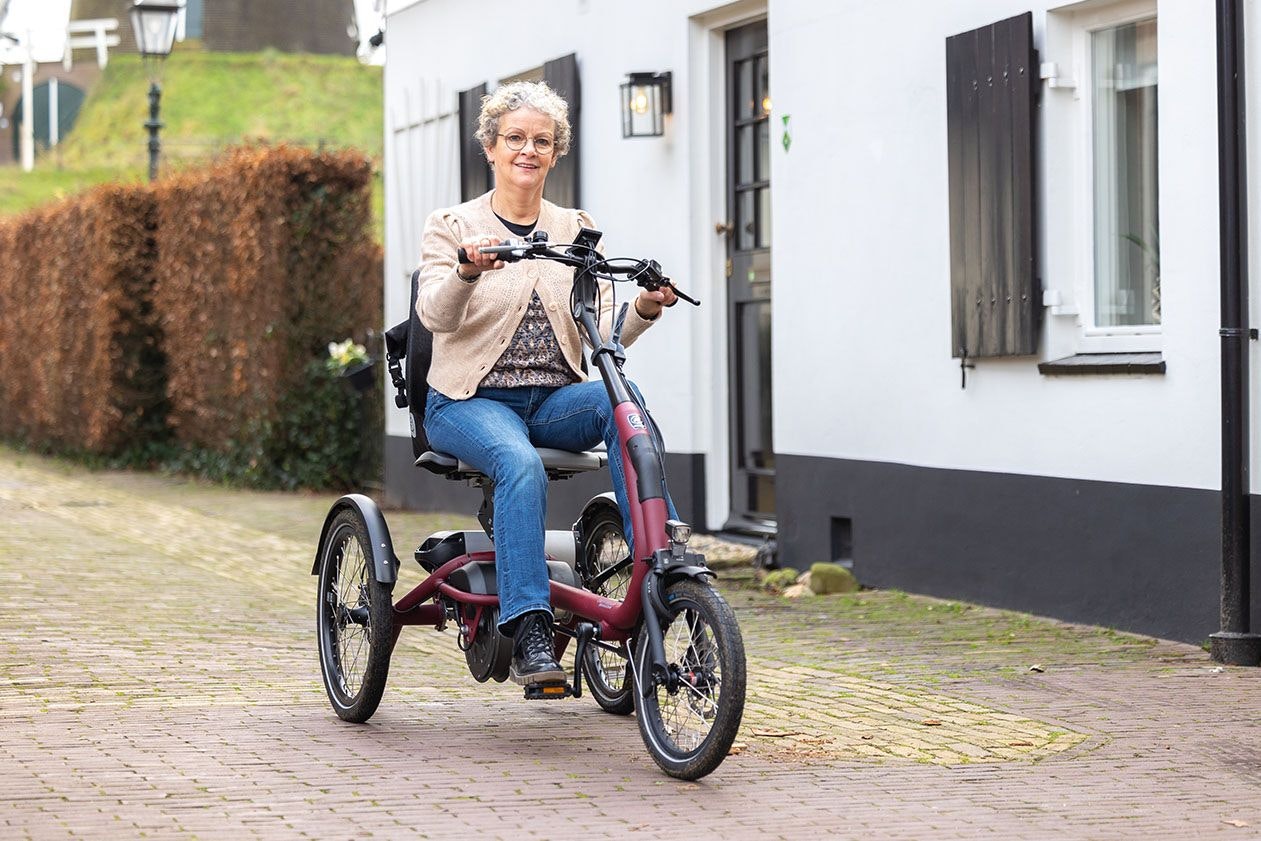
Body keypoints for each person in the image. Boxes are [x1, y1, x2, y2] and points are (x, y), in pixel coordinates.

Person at [415, 81, 677, 686]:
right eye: (515, 139)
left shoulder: (577, 228)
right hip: (468, 401)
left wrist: (643, 308)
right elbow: (436, 316)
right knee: (520, 465)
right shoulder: (454, 224)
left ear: (556, 152)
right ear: (491, 147)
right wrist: (466, 271)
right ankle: (531, 624)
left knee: (623, 403)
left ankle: (661, 557)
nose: (527, 151)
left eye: (541, 141)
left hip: (553, 399)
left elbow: (601, 334)